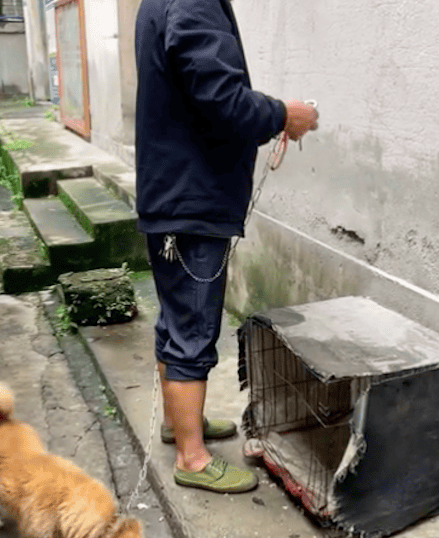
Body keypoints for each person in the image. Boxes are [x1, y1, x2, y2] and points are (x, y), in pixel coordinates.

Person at [135, 0, 318, 493]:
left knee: (175, 320)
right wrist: (284, 114)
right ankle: (193, 460)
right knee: (192, 329)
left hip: (173, 195)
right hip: (192, 200)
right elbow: (222, 98)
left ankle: (180, 426)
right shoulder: (191, 2)